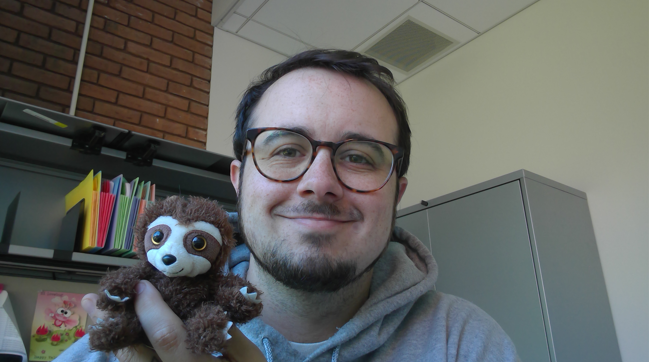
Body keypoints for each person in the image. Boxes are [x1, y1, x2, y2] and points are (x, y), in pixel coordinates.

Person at [56, 49, 520, 362]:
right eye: (285, 150)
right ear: (239, 181)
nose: (319, 183)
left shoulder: (466, 343)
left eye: (358, 157)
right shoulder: (135, 334)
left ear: (396, 194)